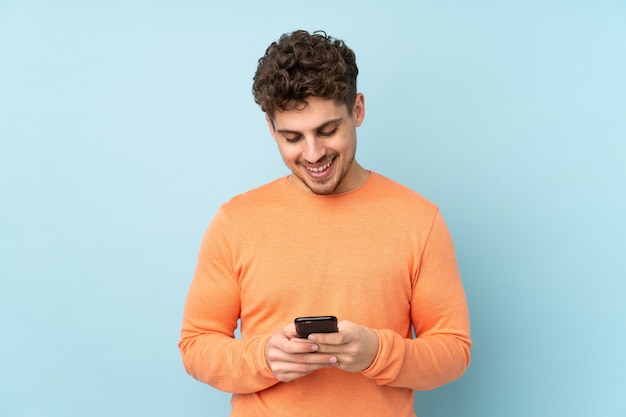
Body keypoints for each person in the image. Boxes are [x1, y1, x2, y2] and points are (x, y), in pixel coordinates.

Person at [179, 30, 471, 417]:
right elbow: (196, 345)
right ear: (271, 129)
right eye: (292, 138)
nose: (313, 154)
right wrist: (263, 358)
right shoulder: (236, 221)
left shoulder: (419, 219)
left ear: (358, 110)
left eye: (327, 130)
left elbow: (453, 350)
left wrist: (377, 353)